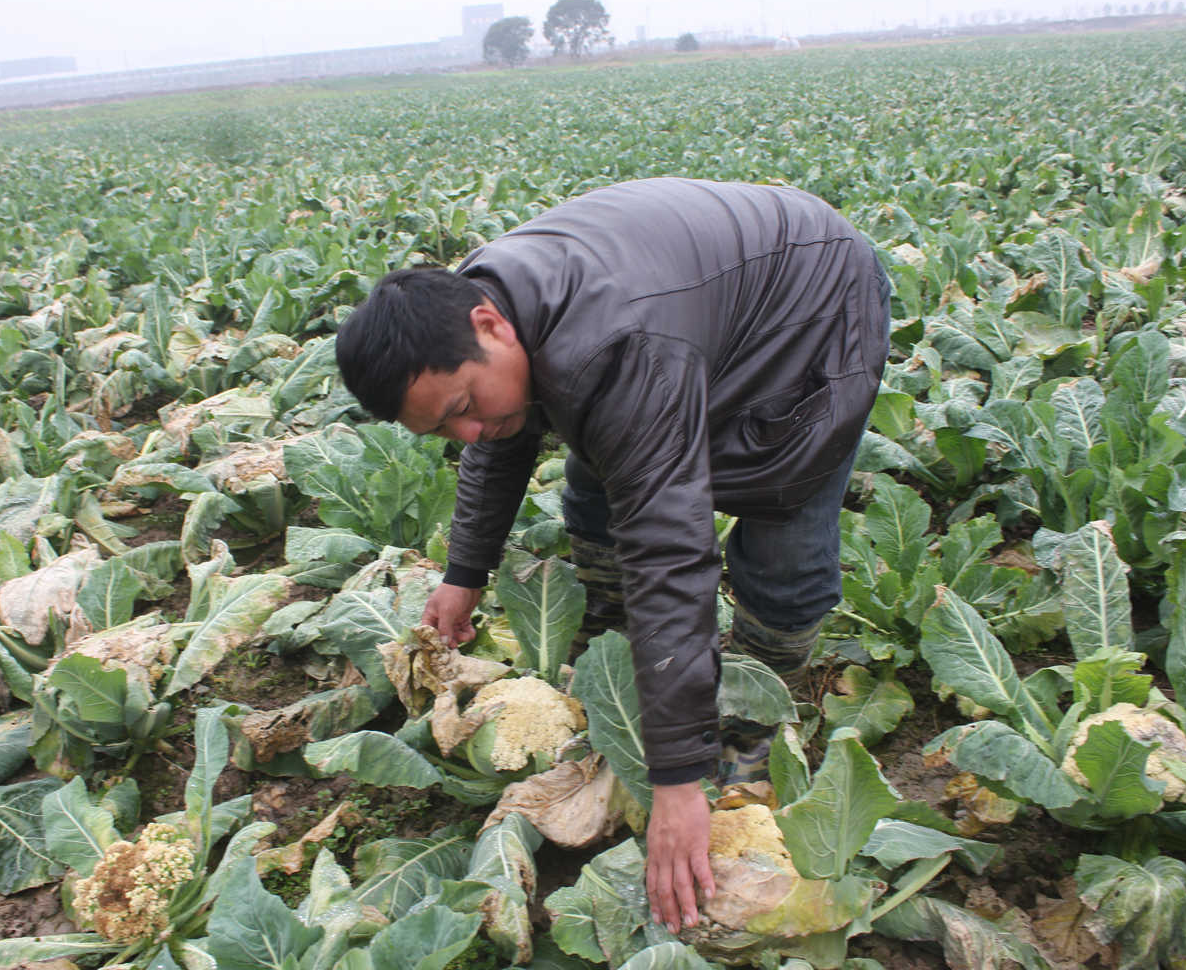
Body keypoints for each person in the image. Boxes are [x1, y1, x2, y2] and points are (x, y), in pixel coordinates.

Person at [335, 177, 889, 933]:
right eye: (441, 430)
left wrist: (677, 780)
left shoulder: (613, 343)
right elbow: (499, 439)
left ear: (490, 326)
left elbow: (672, 549)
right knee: (594, 466)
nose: (464, 434)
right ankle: (617, 644)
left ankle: (762, 711)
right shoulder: (490, 321)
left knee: (781, 532)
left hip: (811, 306)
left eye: (462, 409)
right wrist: (465, 574)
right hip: (685, 312)